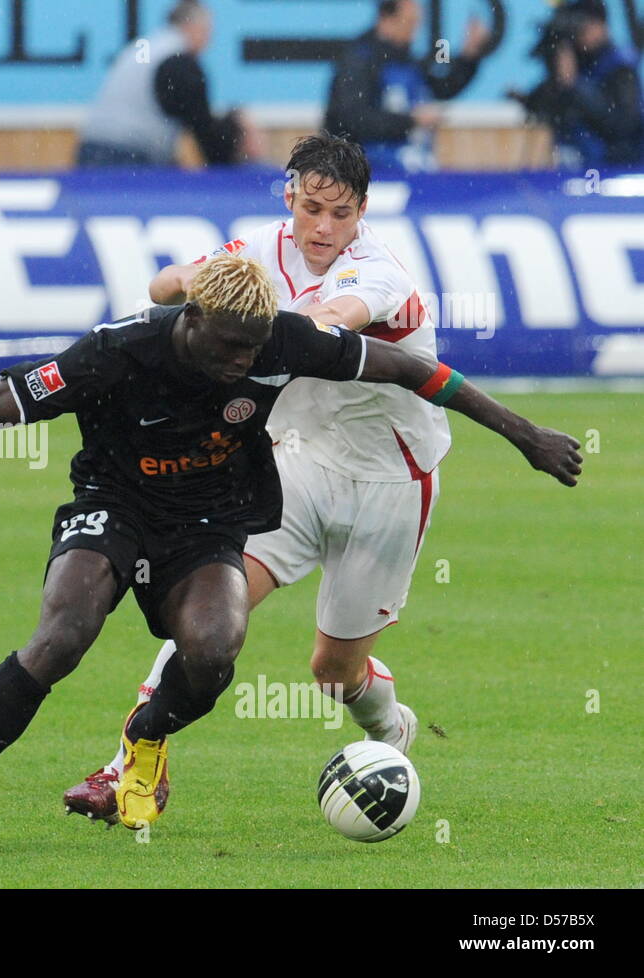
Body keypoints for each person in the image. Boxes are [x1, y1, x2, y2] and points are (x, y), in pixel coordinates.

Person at [0, 252, 581, 856]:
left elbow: (409, 368)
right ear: (189, 319)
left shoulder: (283, 339)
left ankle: (148, 736)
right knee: (61, 637)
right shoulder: (117, 349)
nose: (243, 363)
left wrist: (525, 436)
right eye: (228, 348)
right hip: (114, 504)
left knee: (215, 651)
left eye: (252, 350)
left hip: (209, 519)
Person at [61, 132, 499, 822]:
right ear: (290, 194)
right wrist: (183, 283)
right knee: (205, 605)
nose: (324, 227)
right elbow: (163, 285)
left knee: (333, 673)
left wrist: (237, 318)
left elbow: (329, 321)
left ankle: (390, 732)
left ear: (362, 213)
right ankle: (128, 770)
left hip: (391, 481)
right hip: (295, 465)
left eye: (342, 213)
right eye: (313, 207)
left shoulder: (378, 271)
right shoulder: (257, 250)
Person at [76, 0, 260, 167]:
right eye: (208, 31)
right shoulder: (179, 62)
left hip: (93, 150)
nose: (209, 42)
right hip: (128, 156)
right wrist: (237, 139)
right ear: (193, 26)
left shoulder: (146, 48)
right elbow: (203, 129)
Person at [324, 0, 491, 172]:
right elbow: (353, 118)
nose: (415, 31)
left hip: (408, 166)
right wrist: (410, 120)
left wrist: (469, 56)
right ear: (387, 20)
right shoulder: (360, 59)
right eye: (410, 22)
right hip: (367, 172)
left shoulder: (406, 59)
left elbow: (441, 87)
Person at [510, 0, 644, 169]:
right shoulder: (577, 63)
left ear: (602, 25)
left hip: (618, 168)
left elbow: (623, 125)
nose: (581, 33)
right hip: (576, 169)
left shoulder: (620, 67)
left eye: (585, 24)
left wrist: (574, 85)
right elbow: (545, 108)